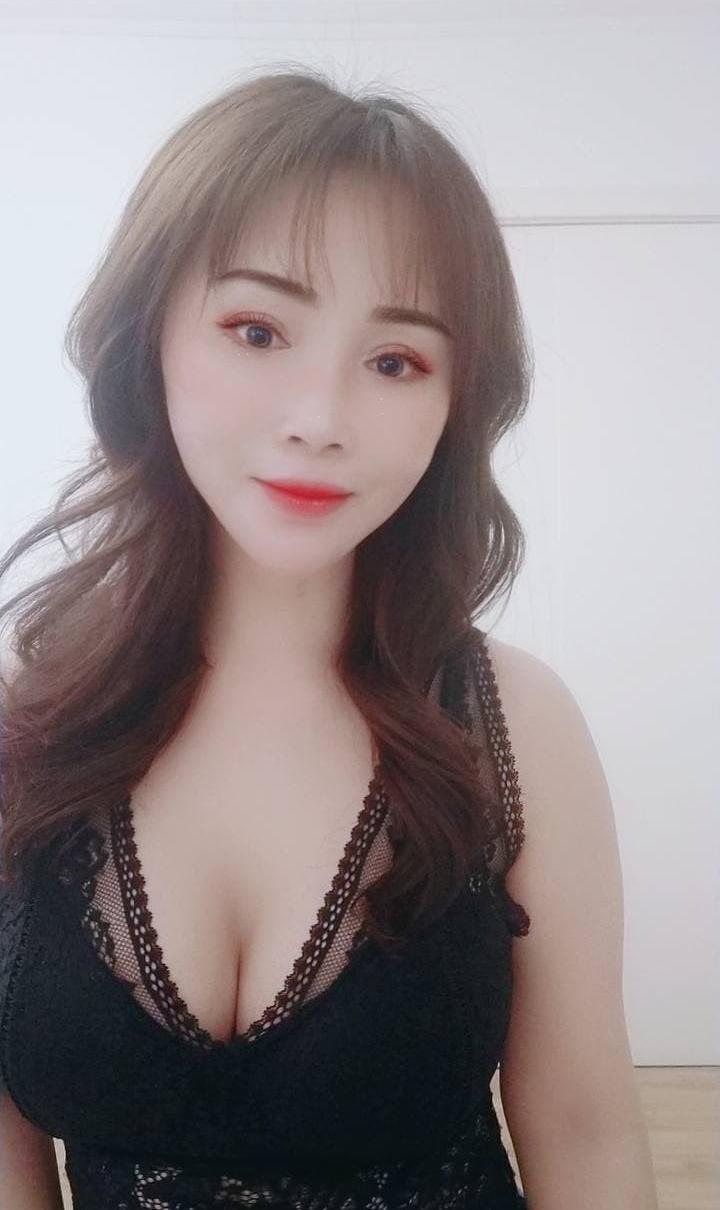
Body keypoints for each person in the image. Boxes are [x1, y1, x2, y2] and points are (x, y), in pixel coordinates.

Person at [0, 64, 657, 1209]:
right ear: (149, 337)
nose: (319, 419)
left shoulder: (515, 725)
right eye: (257, 329)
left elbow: (586, 1131)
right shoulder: (28, 718)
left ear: (454, 404)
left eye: (395, 360)